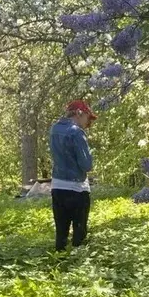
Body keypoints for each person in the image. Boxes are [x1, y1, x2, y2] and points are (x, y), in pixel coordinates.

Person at [49, 100, 96, 252]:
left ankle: (59, 266)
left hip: (57, 186)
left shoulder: (54, 129)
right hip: (77, 189)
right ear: (79, 113)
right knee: (79, 234)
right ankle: (77, 267)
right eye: (88, 118)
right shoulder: (76, 132)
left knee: (61, 233)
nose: (88, 122)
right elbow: (86, 165)